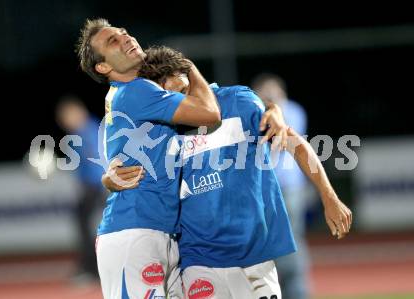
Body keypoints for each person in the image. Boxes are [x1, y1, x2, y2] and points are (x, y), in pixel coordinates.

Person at [103, 46, 352, 299]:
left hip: (254, 255)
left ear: (186, 73)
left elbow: (294, 143)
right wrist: (109, 176)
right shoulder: (164, 127)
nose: (169, 95)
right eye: (159, 90)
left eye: (170, 83)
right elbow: (124, 153)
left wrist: (329, 197)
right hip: (198, 260)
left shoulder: (238, 102)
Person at [76, 18, 222, 299]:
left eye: (124, 33)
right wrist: (187, 66)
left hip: (156, 230)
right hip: (136, 230)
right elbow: (210, 113)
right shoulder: (138, 92)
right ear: (103, 67)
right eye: (113, 41)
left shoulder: (126, 95)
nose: (126, 38)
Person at [252, 73, 310, 299]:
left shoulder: (291, 111)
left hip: (285, 186)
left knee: (290, 241)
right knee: (272, 241)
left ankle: (295, 292)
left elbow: (279, 137)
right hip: (271, 187)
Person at [55, 96, 105, 282]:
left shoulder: (87, 130)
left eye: (66, 117)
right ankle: (91, 267)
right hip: (98, 185)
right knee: (87, 224)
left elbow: (93, 159)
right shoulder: (88, 129)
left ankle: (91, 268)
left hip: (97, 186)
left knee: (87, 225)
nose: (64, 123)